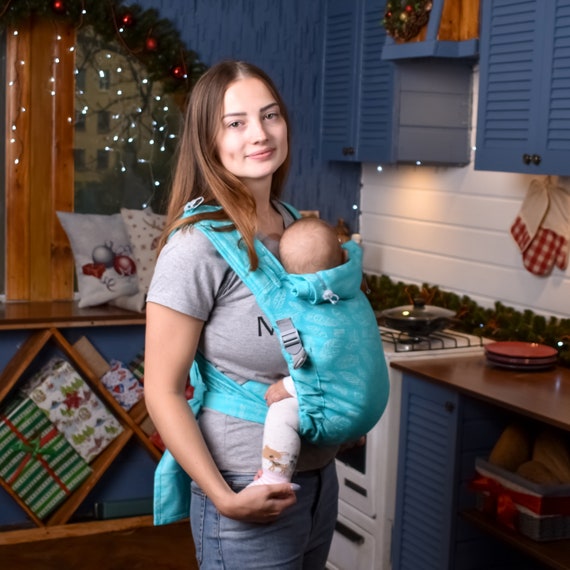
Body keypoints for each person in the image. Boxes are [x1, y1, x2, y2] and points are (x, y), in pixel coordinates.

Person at [144, 60, 341, 570]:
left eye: (270, 116)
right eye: (236, 123)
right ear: (209, 141)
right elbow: (161, 391)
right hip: (242, 489)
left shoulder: (301, 231)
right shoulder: (196, 248)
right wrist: (225, 499)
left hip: (318, 486)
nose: (260, 134)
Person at [248, 216, 347, 488]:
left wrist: (290, 386)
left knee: (281, 413)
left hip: (324, 394)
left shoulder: (314, 315)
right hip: (343, 401)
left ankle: (275, 476)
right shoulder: (345, 300)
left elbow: (326, 361)